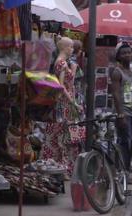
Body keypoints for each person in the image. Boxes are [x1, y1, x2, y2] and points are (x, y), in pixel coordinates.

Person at [41, 37, 83, 176]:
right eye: (70, 47)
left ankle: (65, 167)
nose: (72, 50)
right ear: (65, 47)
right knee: (63, 136)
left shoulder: (62, 63)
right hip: (64, 104)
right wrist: (73, 102)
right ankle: (63, 167)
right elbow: (61, 86)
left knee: (65, 136)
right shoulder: (61, 64)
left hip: (66, 103)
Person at [110, 42, 132, 174]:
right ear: (119, 56)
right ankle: (122, 170)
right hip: (123, 113)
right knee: (124, 143)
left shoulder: (131, 70)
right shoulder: (117, 72)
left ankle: (125, 167)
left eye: (129, 52)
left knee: (129, 142)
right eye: (124, 53)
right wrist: (120, 115)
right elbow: (115, 93)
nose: (127, 55)